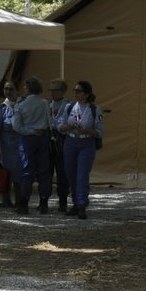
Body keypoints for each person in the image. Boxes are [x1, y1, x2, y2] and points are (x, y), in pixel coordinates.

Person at [58, 80, 101, 219]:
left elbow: (100, 131)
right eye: (74, 90)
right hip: (70, 141)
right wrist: (66, 127)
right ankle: (76, 203)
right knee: (71, 173)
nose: (75, 93)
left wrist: (88, 130)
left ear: (87, 94)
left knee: (82, 174)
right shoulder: (69, 107)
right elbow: (59, 124)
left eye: (78, 91)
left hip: (86, 142)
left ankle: (82, 205)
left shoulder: (95, 109)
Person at [11, 75, 52, 214]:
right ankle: (44, 202)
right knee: (44, 171)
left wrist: (29, 131)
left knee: (27, 170)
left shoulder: (20, 105)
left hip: (28, 138)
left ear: (28, 88)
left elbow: (16, 126)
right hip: (42, 136)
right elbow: (49, 122)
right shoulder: (45, 103)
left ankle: (23, 204)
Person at [0, 79, 20, 209]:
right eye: (6, 89)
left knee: (19, 173)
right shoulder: (2, 108)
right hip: (6, 145)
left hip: (20, 144)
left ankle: (20, 199)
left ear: (17, 90)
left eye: (11, 89)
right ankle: (6, 199)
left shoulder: (22, 105)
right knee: (6, 172)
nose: (8, 91)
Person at [47, 78, 72, 214]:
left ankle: (63, 201)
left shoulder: (68, 105)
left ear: (62, 91)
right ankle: (43, 199)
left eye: (55, 90)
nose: (52, 93)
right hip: (48, 139)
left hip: (61, 140)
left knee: (62, 172)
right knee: (46, 172)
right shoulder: (47, 104)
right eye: (50, 90)